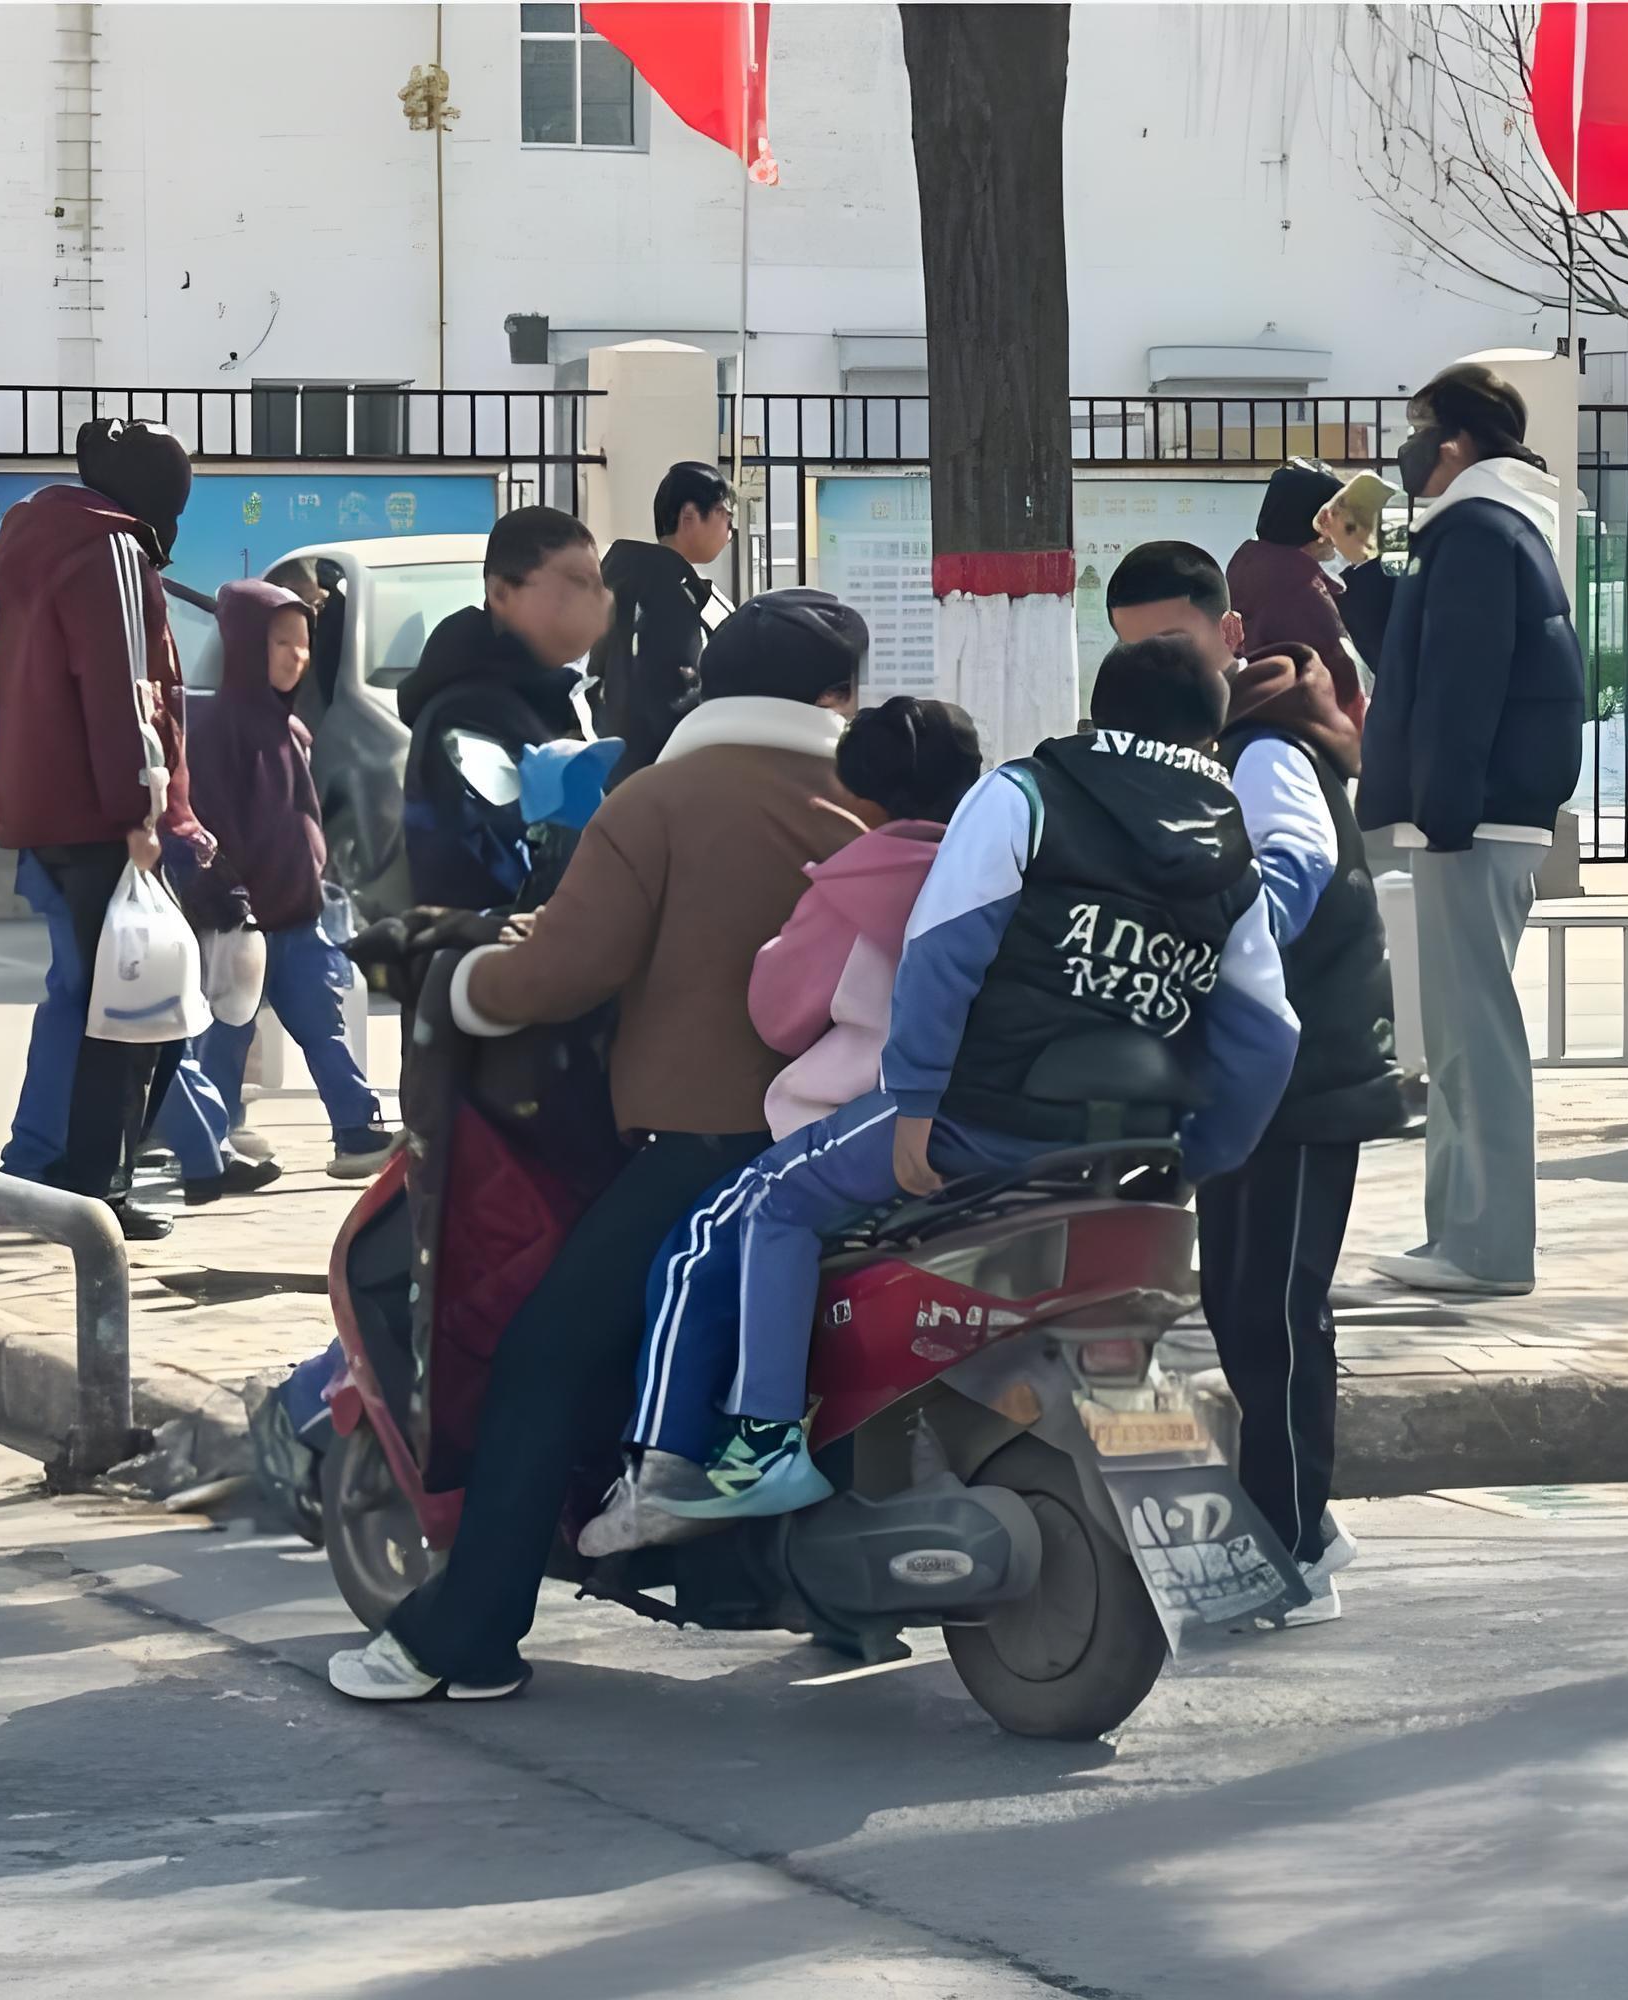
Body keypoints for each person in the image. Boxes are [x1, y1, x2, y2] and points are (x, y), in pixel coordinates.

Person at [594, 635, 1303, 1535]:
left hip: (982, 1116)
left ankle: (756, 1447)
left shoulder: (1027, 794)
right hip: (1129, 1142)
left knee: (758, 1206)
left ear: (1100, 711)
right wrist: (1201, 1156)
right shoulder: (1233, 849)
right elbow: (1266, 1032)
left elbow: (944, 949)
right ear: (1210, 735)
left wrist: (919, 1103)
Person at [328, 589, 867, 1703]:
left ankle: (462, 1637)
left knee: (541, 1358)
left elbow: (560, 972)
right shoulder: (877, 797)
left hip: (707, 1149)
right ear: (837, 697)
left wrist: (455, 982)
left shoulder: (659, 797)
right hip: (865, 1143)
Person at [582, 696, 983, 1551]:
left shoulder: (855, 883)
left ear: (859, 794)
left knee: (699, 1247)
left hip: (859, 1122)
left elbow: (779, 1014)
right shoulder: (990, 868)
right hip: (979, 1129)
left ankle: (668, 1469)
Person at [1105, 542, 1403, 1619]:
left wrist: (1198, 950)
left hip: (1305, 1068)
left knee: (1274, 1310)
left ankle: (1291, 1547)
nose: (1157, 666)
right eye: (1133, 649)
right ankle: (1303, 1520)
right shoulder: (1197, 750)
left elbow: (1293, 869)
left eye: (1173, 642)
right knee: (1238, 1304)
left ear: (1228, 634)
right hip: (1243, 1075)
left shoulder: (1265, 745)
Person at [1355, 363, 1584, 1300]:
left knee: (1470, 1036)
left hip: (1473, 816)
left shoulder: (1477, 531)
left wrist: (1440, 813)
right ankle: (1459, 1236)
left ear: (1453, 442)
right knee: (1457, 1033)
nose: (1409, 450)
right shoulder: (1496, 526)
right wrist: (1362, 569)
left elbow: (1459, 688)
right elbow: (1422, 661)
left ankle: (1485, 1248)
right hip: (1488, 813)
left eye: (1418, 431)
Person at [0, 419, 212, 1240]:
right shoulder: (111, 549)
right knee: (134, 1015)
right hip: (103, 818)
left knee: (87, 1001)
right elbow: (126, 692)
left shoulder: (34, 546)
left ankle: (50, 1170)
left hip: (47, 809)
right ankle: (98, 1188)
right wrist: (139, 812)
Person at [169, 579, 386, 1190]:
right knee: (226, 1036)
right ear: (244, 646)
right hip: (243, 922)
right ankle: (210, 1146)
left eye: (304, 642)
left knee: (324, 1023)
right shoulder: (218, 730)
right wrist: (227, 896)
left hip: (298, 915)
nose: (298, 656)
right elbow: (209, 823)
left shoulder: (289, 730)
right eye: (281, 642)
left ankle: (357, 1130)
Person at [398, 507, 606, 910]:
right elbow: (509, 865)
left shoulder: (552, 698)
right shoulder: (465, 717)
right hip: (492, 939)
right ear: (500, 594)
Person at [593, 461, 735, 780]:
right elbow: (675, 695)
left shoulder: (622, 578)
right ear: (689, 516)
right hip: (662, 771)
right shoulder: (669, 593)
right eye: (724, 514)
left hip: (613, 764)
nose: (730, 530)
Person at [1224, 460, 1368, 727]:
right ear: (1320, 526)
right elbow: (1344, 688)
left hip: (1251, 722)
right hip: (1304, 731)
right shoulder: (1301, 590)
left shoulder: (1248, 567)